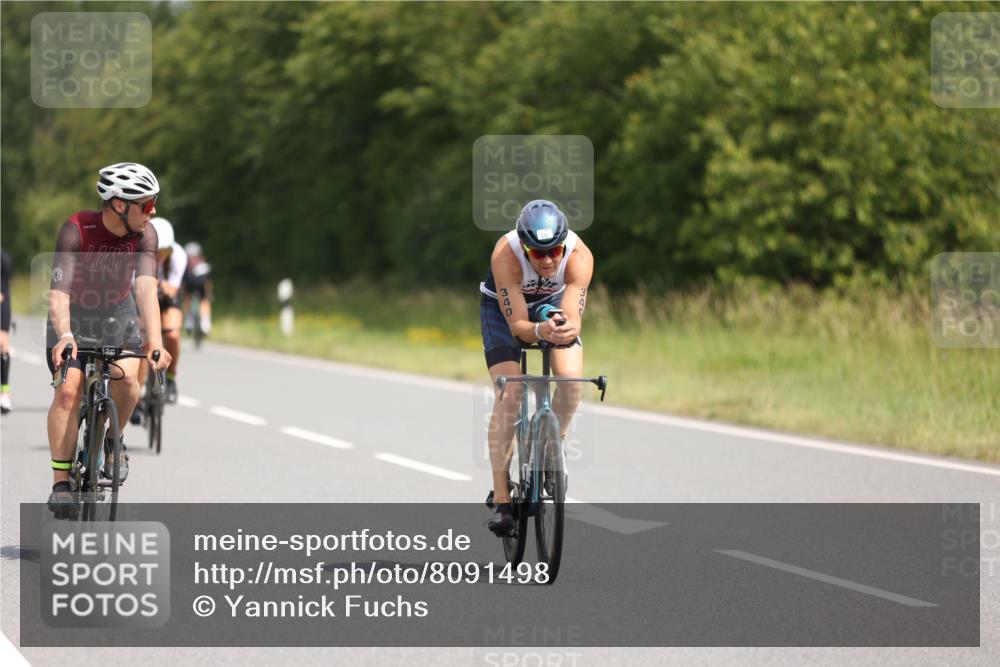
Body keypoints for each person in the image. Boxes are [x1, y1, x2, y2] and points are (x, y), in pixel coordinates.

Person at [46, 162, 171, 518]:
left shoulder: (145, 235)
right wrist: (66, 334)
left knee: (129, 378)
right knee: (69, 388)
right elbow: (58, 293)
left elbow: (146, 289)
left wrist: (156, 341)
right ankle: (61, 484)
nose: (153, 211)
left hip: (118, 312)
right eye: (146, 204)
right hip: (73, 314)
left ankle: (113, 440)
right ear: (119, 204)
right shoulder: (77, 230)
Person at [478, 200, 594, 535]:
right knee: (511, 391)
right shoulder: (505, 255)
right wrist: (540, 330)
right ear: (524, 247)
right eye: (537, 253)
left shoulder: (579, 257)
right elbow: (517, 326)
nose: (546, 260)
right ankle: (502, 499)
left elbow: (573, 314)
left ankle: (551, 447)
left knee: (571, 384)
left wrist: (567, 327)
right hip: (502, 311)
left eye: (553, 251)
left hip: (552, 305)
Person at [140, 218, 186, 405]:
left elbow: (173, 289)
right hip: (143, 296)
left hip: (165, 297)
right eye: (157, 251)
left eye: (165, 252)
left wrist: (162, 286)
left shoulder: (179, 256)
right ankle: (139, 388)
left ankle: (171, 378)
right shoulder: (140, 251)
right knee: (141, 337)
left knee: (173, 334)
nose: (161, 256)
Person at [181, 241, 213, 336]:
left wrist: (182, 293)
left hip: (189, 281)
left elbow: (183, 281)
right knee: (204, 301)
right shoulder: (203, 261)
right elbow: (207, 281)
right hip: (202, 282)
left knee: (187, 297)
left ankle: (188, 322)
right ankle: (205, 324)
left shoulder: (185, 262)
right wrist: (209, 293)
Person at [1, 249, 12, 414]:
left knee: (2, 347)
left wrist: (3, 328)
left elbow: (3, 295)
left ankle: (4, 392)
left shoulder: (2, 259)